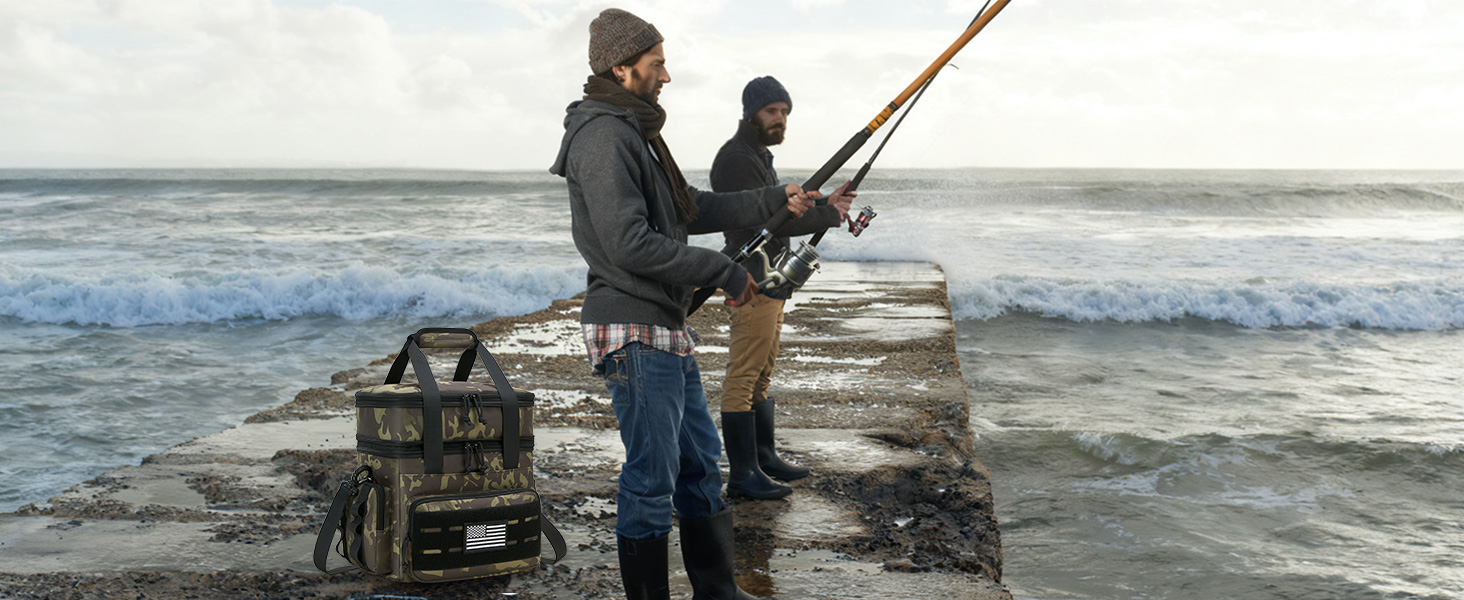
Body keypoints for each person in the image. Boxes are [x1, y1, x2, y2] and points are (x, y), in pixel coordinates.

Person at [549, 9, 818, 600]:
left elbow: (688, 208)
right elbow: (628, 242)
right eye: (657, 63)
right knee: (651, 479)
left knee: (699, 464)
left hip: (664, 328)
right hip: (632, 330)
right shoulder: (601, 136)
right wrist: (722, 269)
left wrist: (777, 196)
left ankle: (717, 592)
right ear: (621, 68)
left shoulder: (637, 129)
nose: (667, 75)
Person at [709, 76, 854, 500]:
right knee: (744, 375)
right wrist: (828, 215)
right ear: (750, 112)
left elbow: (780, 211)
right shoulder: (736, 158)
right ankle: (742, 475)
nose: (779, 119)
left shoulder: (756, 154)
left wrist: (827, 204)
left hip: (771, 281)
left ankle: (763, 458)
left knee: (763, 373)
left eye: (785, 112)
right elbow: (758, 224)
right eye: (772, 111)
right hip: (751, 281)